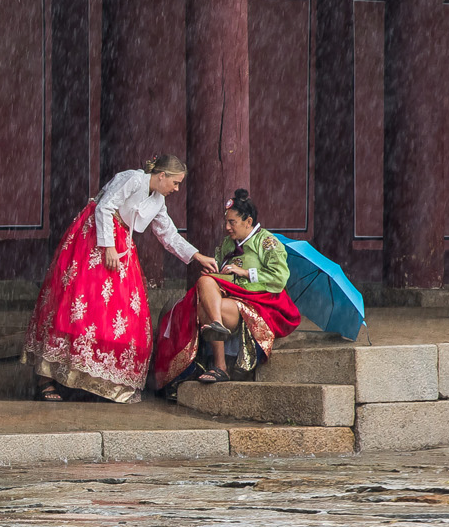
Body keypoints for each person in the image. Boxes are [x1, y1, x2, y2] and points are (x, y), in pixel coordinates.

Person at [21, 155, 220, 403]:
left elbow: (168, 234)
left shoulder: (158, 201)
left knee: (120, 313)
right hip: (94, 237)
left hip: (121, 243)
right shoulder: (132, 179)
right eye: (175, 182)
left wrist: (197, 256)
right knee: (77, 302)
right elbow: (104, 206)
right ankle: (46, 378)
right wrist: (108, 246)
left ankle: (99, 381)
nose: (176, 189)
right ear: (162, 175)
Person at [152, 188, 301, 392]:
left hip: (256, 304)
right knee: (205, 282)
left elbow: (279, 278)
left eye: (233, 222)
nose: (227, 227)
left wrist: (245, 272)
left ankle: (219, 362)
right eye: (226, 222)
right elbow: (224, 277)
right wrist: (217, 274)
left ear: (248, 221)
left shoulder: (266, 242)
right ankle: (218, 347)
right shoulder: (227, 244)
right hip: (229, 301)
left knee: (206, 308)